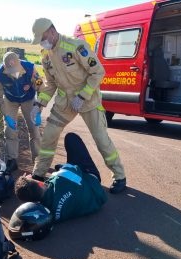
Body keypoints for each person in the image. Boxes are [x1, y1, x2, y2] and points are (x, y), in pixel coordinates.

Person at [29, 18, 127, 193]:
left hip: (87, 100)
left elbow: (98, 72)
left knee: (101, 139)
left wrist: (82, 96)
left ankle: (119, 176)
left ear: (52, 31)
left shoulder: (76, 46)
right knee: (49, 135)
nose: (42, 43)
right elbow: (50, 84)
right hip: (64, 102)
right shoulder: (46, 55)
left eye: (43, 38)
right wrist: (39, 104)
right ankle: (39, 173)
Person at [15, 133, 107, 222]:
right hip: (95, 190)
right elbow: (76, 169)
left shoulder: (45, 212)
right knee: (71, 138)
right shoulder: (61, 178)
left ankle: (63, 168)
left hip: (84, 200)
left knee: (65, 172)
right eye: (31, 177)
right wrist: (62, 171)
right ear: (39, 183)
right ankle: (63, 168)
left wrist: (29, 181)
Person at [0, 51, 44, 172]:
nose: (14, 73)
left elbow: (41, 88)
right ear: (5, 67)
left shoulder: (30, 69)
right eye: (11, 70)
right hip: (10, 100)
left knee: (34, 128)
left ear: (20, 62)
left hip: (28, 99)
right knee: (10, 130)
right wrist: (7, 115)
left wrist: (38, 107)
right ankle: (12, 160)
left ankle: (38, 160)